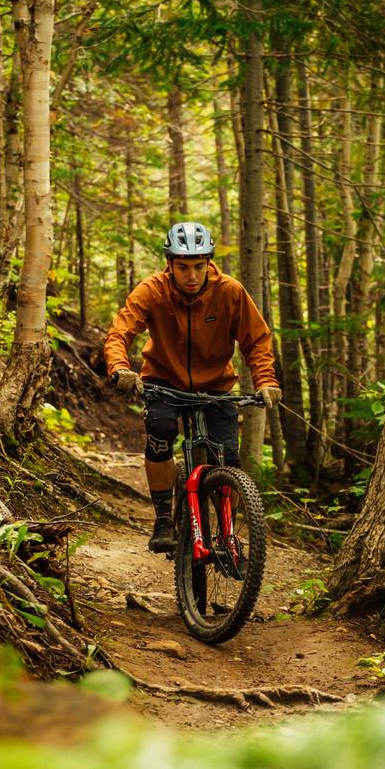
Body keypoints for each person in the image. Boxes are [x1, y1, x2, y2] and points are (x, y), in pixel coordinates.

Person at [104, 221, 282, 553]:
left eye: (199, 266)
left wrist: (266, 381)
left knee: (227, 461)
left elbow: (256, 340)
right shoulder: (153, 290)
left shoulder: (229, 291)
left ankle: (228, 535)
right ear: (169, 264)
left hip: (216, 385)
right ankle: (162, 522)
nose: (191, 275)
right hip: (163, 382)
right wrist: (120, 367)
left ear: (209, 263)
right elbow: (120, 331)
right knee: (160, 432)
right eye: (183, 267)